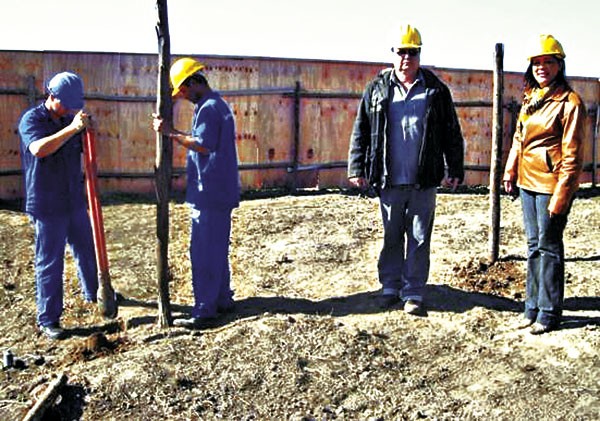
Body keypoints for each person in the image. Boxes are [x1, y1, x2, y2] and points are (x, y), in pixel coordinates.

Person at [348, 24, 464, 315]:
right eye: (401, 52)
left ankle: (413, 292)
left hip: (423, 179)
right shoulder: (377, 89)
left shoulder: (435, 90)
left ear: (419, 55)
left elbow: (452, 131)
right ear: (393, 54)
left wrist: (455, 168)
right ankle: (390, 285)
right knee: (391, 234)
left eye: (412, 53)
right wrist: (356, 167)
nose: (406, 59)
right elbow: (361, 129)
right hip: (389, 178)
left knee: (420, 237)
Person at [503, 35, 585, 335]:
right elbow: (518, 139)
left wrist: (561, 197)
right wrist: (510, 172)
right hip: (527, 182)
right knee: (533, 246)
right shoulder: (531, 98)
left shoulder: (570, 103)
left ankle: (549, 313)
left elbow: (573, 156)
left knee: (550, 248)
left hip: (551, 185)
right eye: (536, 63)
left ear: (559, 65)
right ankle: (531, 307)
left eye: (548, 62)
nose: (542, 68)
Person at [153, 57, 240, 328]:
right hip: (218, 190)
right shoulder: (214, 104)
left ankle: (205, 310)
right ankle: (222, 299)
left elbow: (204, 144)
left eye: (183, 91)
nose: (183, 96)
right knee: (216, 249)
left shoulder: (210, 108)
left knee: (203, 252)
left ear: (193, 83)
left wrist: (170, 132)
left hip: (210, 192)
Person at [18, 71, 98, 340]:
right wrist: (72, 129)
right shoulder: (32, 119)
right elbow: (39, 149)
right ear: (51, 96)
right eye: (66, 103)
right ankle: (48, 319)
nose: (71, 109)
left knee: (86, 248)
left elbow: (84, 148)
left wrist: (86, 131)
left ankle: (95, 292)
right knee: (50, 262)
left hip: (72, 198)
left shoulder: (68, 118)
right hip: (45, 202)